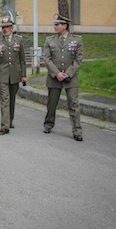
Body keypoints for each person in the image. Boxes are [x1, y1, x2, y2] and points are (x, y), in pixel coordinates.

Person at [42, 13, 84, 141]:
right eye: (55, 24)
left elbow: (78, 59)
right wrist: (57, 73)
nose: (55, 26)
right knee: (52, 104)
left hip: (71, 78)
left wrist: (68, 73)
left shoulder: (77, 40)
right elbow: (46, 59)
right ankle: (48, 124)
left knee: (74, 104)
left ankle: (77, 131)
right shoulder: (49, 40)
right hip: (54, 78)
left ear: (64, 26)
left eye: (57, 24)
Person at [0, 15, 27, 134]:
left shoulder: (19, 40)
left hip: (15, 74)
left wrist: (23, 75)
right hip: (2, 73)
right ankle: (5, 125)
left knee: (12, 99)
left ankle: (10, 120)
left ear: (12, 27)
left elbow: (22, 60)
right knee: (4, 99)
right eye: (3, 27)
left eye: (7, 27)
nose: (5, 29)